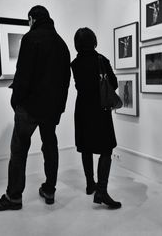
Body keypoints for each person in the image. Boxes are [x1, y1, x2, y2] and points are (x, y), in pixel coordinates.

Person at [0, 5, 71, 210]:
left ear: (32, 19)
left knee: (19, 150)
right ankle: (49, 190)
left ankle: (14, 197)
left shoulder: (30, 38)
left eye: (29, 21)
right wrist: (60, 107)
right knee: (50, 147)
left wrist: (15, 100)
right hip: (51, 110)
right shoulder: (62, 44)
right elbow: (65, 81)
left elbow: (23, 74)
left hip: (30, 107)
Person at [71, 27, 121, 209]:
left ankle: (90, 183)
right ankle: (102, 190)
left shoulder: (74, 64)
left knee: (86, 147)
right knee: (106, 149)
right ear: (94, 41)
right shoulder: (101, 60)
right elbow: (113, 84)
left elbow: (79, 86)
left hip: (83, 109)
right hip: (100, 109)